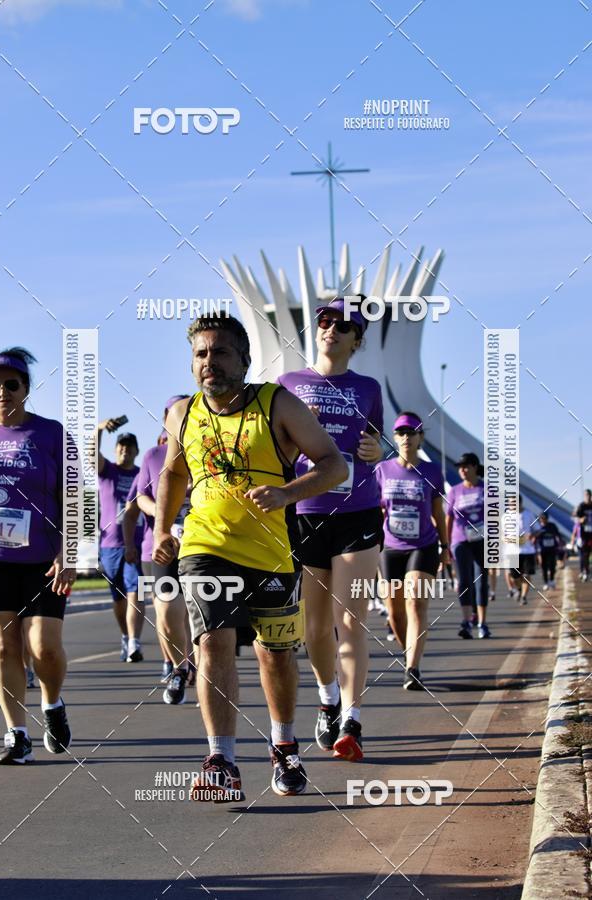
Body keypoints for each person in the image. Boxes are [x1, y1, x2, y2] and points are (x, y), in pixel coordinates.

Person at [153, 314, 347, 801]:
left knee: (275, 655)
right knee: (213, 644)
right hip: (205, 547)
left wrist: (286, 495)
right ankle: (221, 759)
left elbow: (334, 465)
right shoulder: (182, 413)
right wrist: (162, 528)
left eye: (220, 353)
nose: (209, 363)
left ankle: (284, 745)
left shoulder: (277, 404)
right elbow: (174, 474)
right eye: (201, 354)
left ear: (244, 358)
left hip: (271, 553)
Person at [279, 297, 383, 761]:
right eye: (324, 321)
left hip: (358, 511)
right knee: (316, 628)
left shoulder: (368, 387)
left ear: (356, 340)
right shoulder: (287, 384)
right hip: (305, 514)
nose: (331, 329)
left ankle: (352, 719)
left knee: (350, 623)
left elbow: (376, 443)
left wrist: (378, 453)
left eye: (343, 326)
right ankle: (328, 697)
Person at [0, 348, 74, 765]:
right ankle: (16, 734)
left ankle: (53, 703)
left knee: (42, 648)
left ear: (26, 389)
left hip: (45, 559)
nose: (2, 392)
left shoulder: (51, 434)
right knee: (5, 648)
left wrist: (70, 551)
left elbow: (75, 498)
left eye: (11, 385)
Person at [123, 396, 195, 705]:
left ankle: (203, 677)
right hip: (163, 545)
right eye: (174, 413)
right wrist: (162, 510)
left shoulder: (207, 449)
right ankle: (179, 668)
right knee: (167, 613)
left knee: (199, 618)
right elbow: (139, 499)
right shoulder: (154, 456)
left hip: (202, 545)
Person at [375, 412, 448, 690]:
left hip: (424, 545)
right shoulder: (382, 470)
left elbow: (438, 512)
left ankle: (412, 668)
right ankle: (410, 653)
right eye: (401, 433)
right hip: (391, 548)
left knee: (415, 602)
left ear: (420, 438)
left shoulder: (431, 472)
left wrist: (445, 546)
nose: (406, 437)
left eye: (412, 432)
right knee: (394, 613)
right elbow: (376, 510)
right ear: (394, 438)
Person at [97, 423, 142, 662]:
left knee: (137, 590)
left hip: (138, 542)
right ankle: (126, 635)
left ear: (136, 451)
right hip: (110, 545)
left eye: (129, 447)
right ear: (116, 450)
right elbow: (92, 452)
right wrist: (99, 429)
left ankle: (135, 641)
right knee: (119, 598)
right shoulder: (108, 472)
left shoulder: (141, 474)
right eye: (121, 447)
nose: (125, 450)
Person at [446, 453, 490, 638]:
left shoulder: (486, 488)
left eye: (465, 466)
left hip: (481, 541)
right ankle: (466, 622)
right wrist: (446, 544)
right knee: (465, 580)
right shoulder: (455, 491)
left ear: (474, 467)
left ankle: (482, 622)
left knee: (481, 581)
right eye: (460, 467)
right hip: (460, 540)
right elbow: (448, 517)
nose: (462, 470)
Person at [508, 495, 538, 605]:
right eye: (509, 503)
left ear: (520, 503)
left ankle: (524, 596)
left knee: (526, 574)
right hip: (512, 551)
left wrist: (532, 535)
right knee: (514, 576)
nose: (511, 505)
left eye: (513, 503)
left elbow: (537, 530)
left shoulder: (529, 514)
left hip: (527, 550)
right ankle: (519, 589)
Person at [535, 511, 561, 590]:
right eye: (542, 518)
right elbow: (534, 538)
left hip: (552, 549)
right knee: (543, 567)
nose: (543, 520)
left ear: (547, 518)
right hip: (541, 550)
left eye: (545, 518)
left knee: (552, 565)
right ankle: (546, 582)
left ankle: (552, 580)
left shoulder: (552, 526)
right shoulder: (537, 527)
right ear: (539, 519)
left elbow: (558, 535)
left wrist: (559, 542)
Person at [575, 489, 592, 582]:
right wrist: (581, 519)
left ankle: (587, 571)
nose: (587, 496)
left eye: (589, 495)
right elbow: (576, 518)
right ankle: (586, 572)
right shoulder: (582, 506)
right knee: (585, 554)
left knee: (589, 554)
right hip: (584, 534)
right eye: (586, 495)